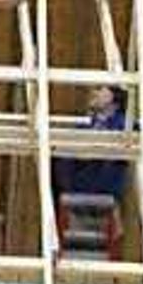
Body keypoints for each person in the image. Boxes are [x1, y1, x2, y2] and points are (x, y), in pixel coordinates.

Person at [52, 85, 132, 253]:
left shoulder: (123, 124)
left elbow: (96, 151)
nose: (94, 93)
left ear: (113, 99)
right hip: (78, 184)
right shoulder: (88, 124)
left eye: (101, 89)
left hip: (102, 184)